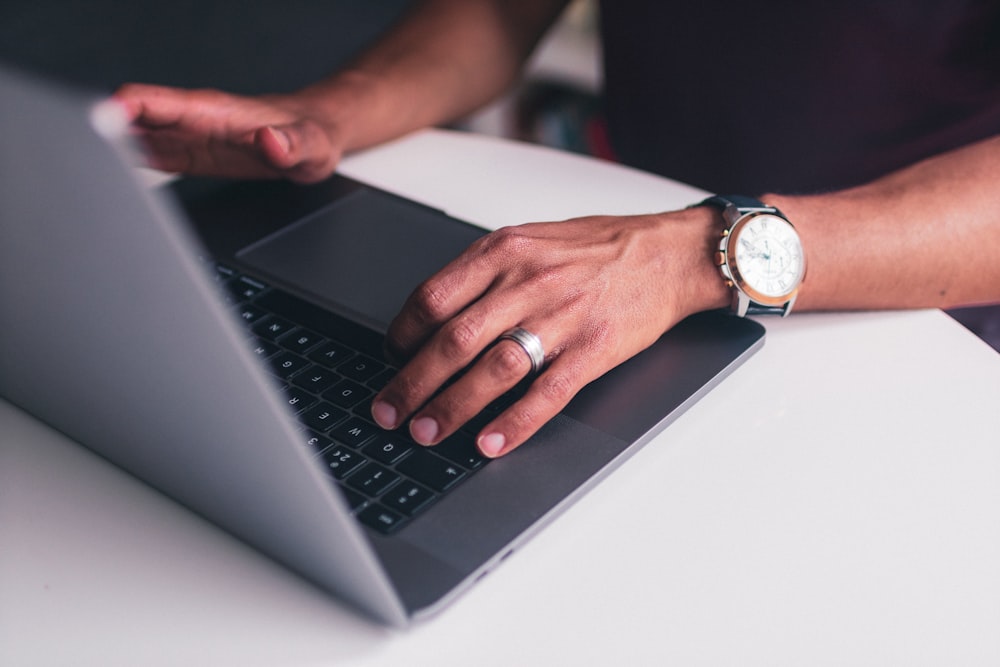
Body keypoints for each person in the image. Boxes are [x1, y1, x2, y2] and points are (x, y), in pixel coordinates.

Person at [114, 0, 1000, 458]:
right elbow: (501, 11)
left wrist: (696, 252)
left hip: (912, 328)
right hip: (631, 285)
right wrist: (330, 114)